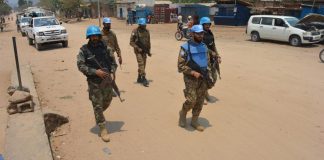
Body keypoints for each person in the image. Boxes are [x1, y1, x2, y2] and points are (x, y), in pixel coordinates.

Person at [77, 25, 117, 142]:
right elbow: (80, 66)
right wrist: (95, 72)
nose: (94, 38)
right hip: (94, 82)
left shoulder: (106, 48)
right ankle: (102, 127)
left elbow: (113, 62)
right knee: (97, 105)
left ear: (99, 36)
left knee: (108, 100)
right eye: (92, 36)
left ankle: (98, 114)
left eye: (96, 36)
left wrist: (112, 71)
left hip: (106, 81)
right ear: (89, 37)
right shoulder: (84, 50)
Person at [178, 25, 215, 132]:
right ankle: (183, 113)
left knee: (199, 100)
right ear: (192, 34)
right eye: (198, 33)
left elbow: (207, 62)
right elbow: (180, 66)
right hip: (191, 78)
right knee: (191, 100)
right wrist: (193, 72)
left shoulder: (204, 46)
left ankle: (194, 121)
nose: (200, 35)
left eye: (202, 33)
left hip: (203, 77)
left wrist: (209, 74)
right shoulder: (185, 47)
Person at [200, 17, 221, 102]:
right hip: (203, 59)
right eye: (206, 24)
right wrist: (211, 52)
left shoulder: (210, 33)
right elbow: (202, 47)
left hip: (212, 59)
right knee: (204, 78)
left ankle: (204, 92)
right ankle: (203, 95)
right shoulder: (200, 34)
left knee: (214, 78)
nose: (208, 26)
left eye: (209, 24)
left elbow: (213, 45)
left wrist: (218, 55)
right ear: (202, 25)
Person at [130, 18, 151, 87]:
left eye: (145, 25)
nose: (144, 26)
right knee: (141, 63)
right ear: (139, 25)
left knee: (143, 65)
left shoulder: (147, 31)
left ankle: (139, 77)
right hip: (138, 51)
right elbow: (131, 42)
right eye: (143, 25)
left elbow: (148, 42)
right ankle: (144, 78)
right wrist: (138, 48)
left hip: (144, 51)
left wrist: (149, 51)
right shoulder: (135, 31)